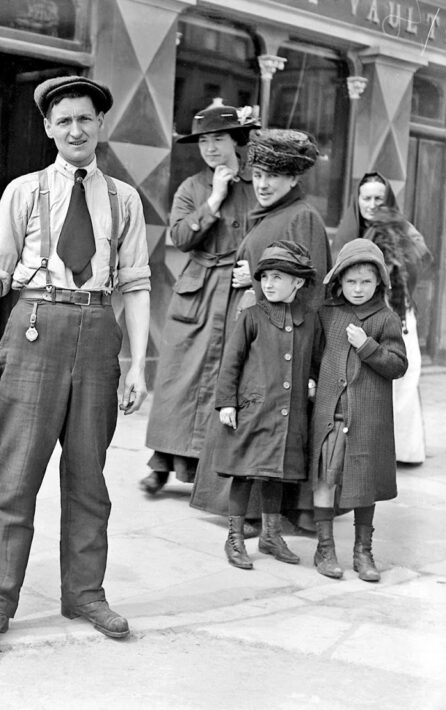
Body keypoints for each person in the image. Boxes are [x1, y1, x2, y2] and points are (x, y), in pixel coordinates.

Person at [0, 76, 151, 657]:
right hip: (36, 326)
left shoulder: (123, 198)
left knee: (89, 479)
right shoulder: (23, 192)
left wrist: (136, 364)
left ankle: (85, 593)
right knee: (14, 479)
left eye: (85, 120)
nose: (75, 129)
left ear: (101, 126)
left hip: (97, 332)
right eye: (64, 120)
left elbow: (138, 286)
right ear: (48, 127)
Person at [190, 128, 331, 527]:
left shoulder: (302, 217)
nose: (263, 184)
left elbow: (310, 291)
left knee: (262, 426)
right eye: (260, 174)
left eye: (274, 176)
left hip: (277, 349)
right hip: (257, 340)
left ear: (294, 179)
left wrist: (253, 279)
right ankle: (247, 513)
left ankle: (261, 516)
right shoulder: (274, 213)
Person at [141, 100, 258, 495]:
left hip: (240, 293)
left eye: (218, 138)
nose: (210, 148)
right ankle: (160, 463)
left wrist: (256, 269)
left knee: (225, 378)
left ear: (236, 141)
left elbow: (268, 234)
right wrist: (213, 201)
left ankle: (207, 473)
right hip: (198, 291)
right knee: (179, 378)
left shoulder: (257, 184)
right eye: (204, 141)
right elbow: (180, 237)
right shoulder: (192, 187)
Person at [207, 241, 319, 569]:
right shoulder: (251, 316)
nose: (268, 284)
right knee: (243, 474)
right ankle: (235, 538)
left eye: (277, 278)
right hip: (253, 410)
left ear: (297, 283)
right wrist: (227, 403)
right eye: (265, 277)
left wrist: (311, 379)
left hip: (288, 413)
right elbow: (231, 362)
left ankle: (271, 536)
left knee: (275, 476)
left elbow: (314, 358)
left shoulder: (309, 320)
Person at [308, 239, 408, 581]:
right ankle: (324, 548)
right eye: (351, 281)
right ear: (339, 281)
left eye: (366, 281)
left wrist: (367, 346)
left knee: (364, 482)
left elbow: (397, 365)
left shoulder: (386, 319)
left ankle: (363, 551)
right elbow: (316, 355)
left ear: (379, 281)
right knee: (325, 477)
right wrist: (311, 380)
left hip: (366, 420)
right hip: (330, 417)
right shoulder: (328, 313)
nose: (358, 288)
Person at [335, 172, 431, 464]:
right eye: (367, 198)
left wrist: (394, 275)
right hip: (355, 310)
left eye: (379, 198)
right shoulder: (349, 228)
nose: (372, 204)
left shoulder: (400, 227)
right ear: (358, 199)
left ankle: (403, 449)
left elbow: (421, 257)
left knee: (402, 373)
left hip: (393, 309)